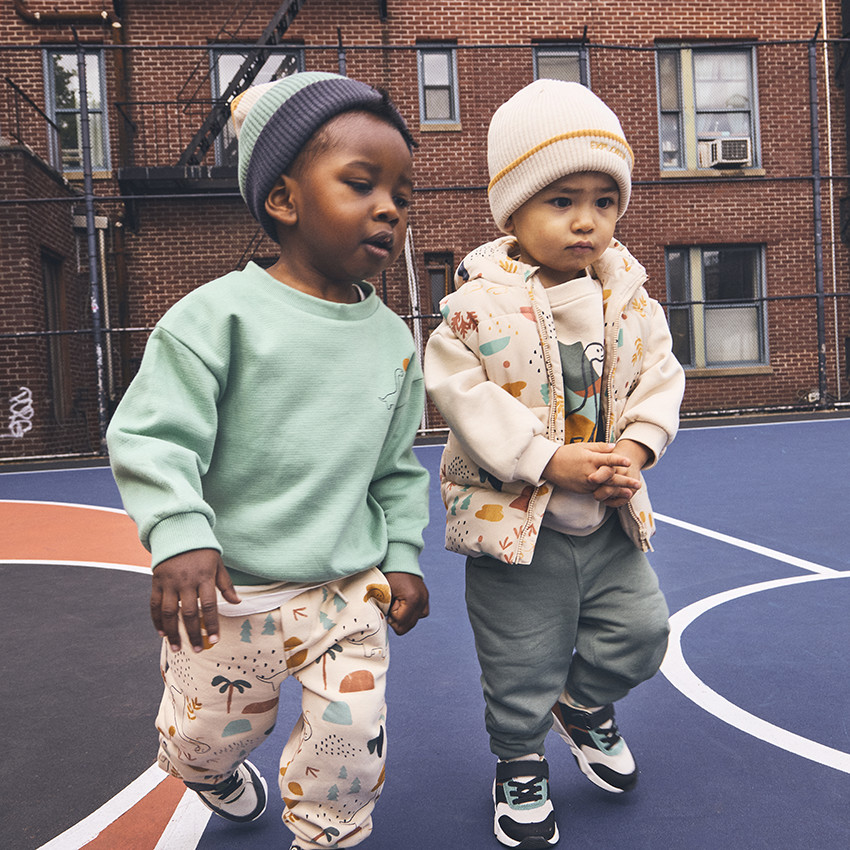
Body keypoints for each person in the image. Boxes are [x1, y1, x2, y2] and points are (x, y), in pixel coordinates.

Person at [107, 71, 430, 850]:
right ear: (284, 200)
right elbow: (152, 434)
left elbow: (396, 468)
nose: (390, 207)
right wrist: (181, 532)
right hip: (228, 597)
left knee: (350, 740)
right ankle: (205, 767)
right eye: (362, 184)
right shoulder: (216, 318)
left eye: (402, 194)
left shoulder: (392, 341)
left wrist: (403, 555)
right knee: (209, 736)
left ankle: (330, 832)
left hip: (342, 592)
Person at [423, 79, 685, 848]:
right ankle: (519, 761)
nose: (588, 221)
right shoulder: (476, 307)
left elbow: (660, 380)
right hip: (516, 530)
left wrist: (633, 450)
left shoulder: (631, 300)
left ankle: (583, 705)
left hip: (606, 521)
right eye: (562, 200)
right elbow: (463, 397)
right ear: (513, 211)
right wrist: (547, 461)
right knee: (518, 664)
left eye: (605, 201)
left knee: (641, 633)